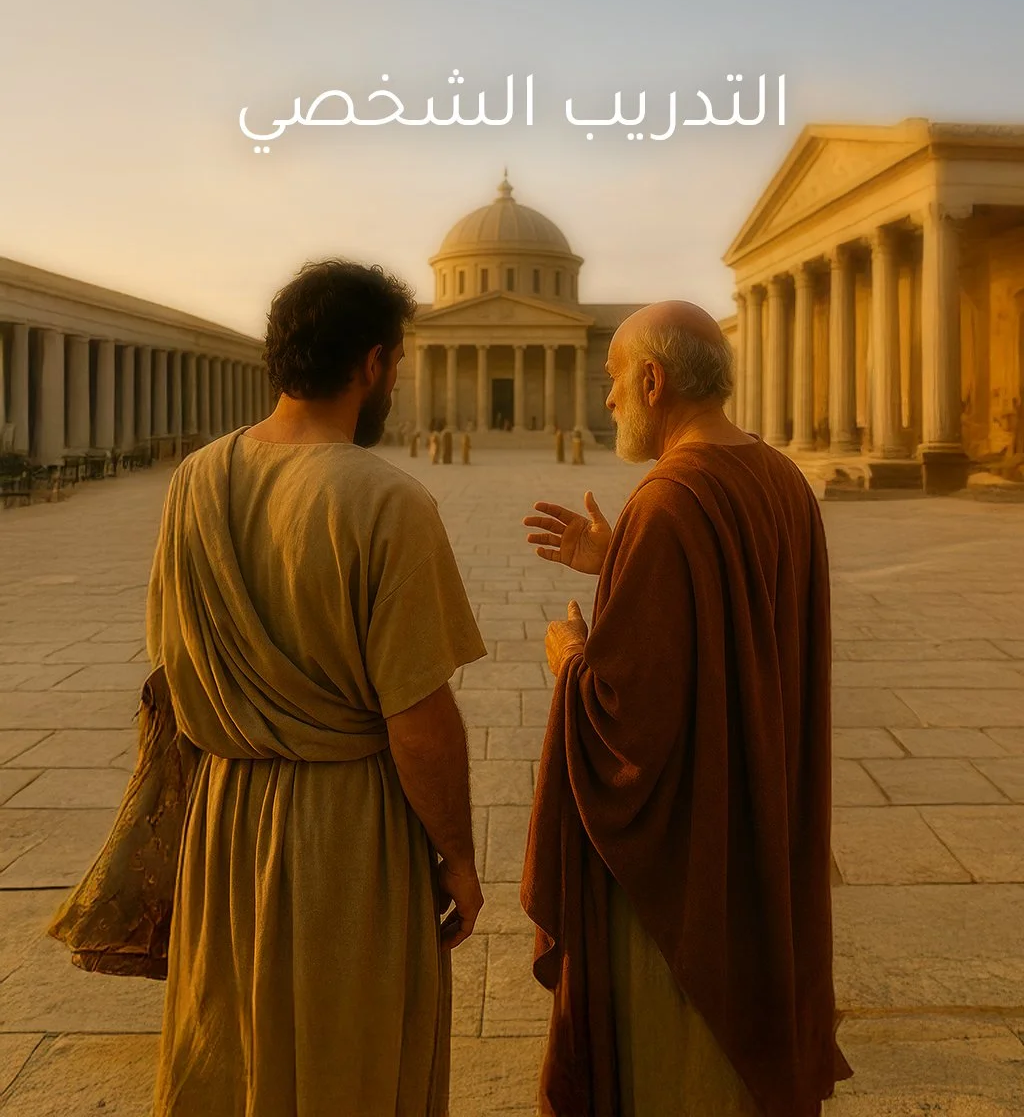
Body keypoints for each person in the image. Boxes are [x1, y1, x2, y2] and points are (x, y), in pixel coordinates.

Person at [147, 260, 487, 1117]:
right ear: (373, 364)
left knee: (231, 1048)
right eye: (397, 364)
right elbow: (418, 717)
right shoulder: (388, 500)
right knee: (351, 1055)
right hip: (347, 827)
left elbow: (170, 664)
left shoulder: (194, 481)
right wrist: (456, 854)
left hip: (224, 820)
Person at [520, 301, 852, 1117]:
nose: (606, 398)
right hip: (759, 819)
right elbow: (732, 622)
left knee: (678, 1064)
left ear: (653, 379)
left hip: (690, 857)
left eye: (613, 380)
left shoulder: (668, 499)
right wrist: (620, 563)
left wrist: (570, 659)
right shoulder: (781, 477)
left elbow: (627, 720)